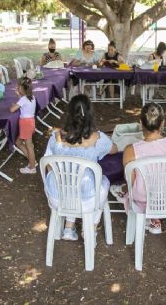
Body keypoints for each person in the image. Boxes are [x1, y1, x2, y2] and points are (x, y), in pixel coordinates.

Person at [43, 95, 118, 241]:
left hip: (57, 195)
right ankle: (90, 228)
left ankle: (68, 228)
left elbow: (47, 164)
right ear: (90, 114)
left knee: (70, 181)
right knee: (102, 183)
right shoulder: (97, 138)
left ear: (69, 113)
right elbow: (114, 149)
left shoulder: (56, 137)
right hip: (86, 197)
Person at [122, 102, 166, 234]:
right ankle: (159, 219)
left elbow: (131, 181)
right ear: (163, 123)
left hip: (145, 203)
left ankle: (152, 219)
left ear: (140, 123)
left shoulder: (130, 150)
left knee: (128, 191)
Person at [10, 77, 38, 173]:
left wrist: (14, 105)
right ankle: (32, 161)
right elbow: (23, 104)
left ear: (22, 89)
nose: (17, 88)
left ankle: (32, 167)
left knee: (29, 145)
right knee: (18, 143)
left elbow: (12, 109)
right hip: (30, 122)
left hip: (25, 124)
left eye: (18, 87)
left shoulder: (23, 99)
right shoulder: (32, 97)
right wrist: (19, 97)